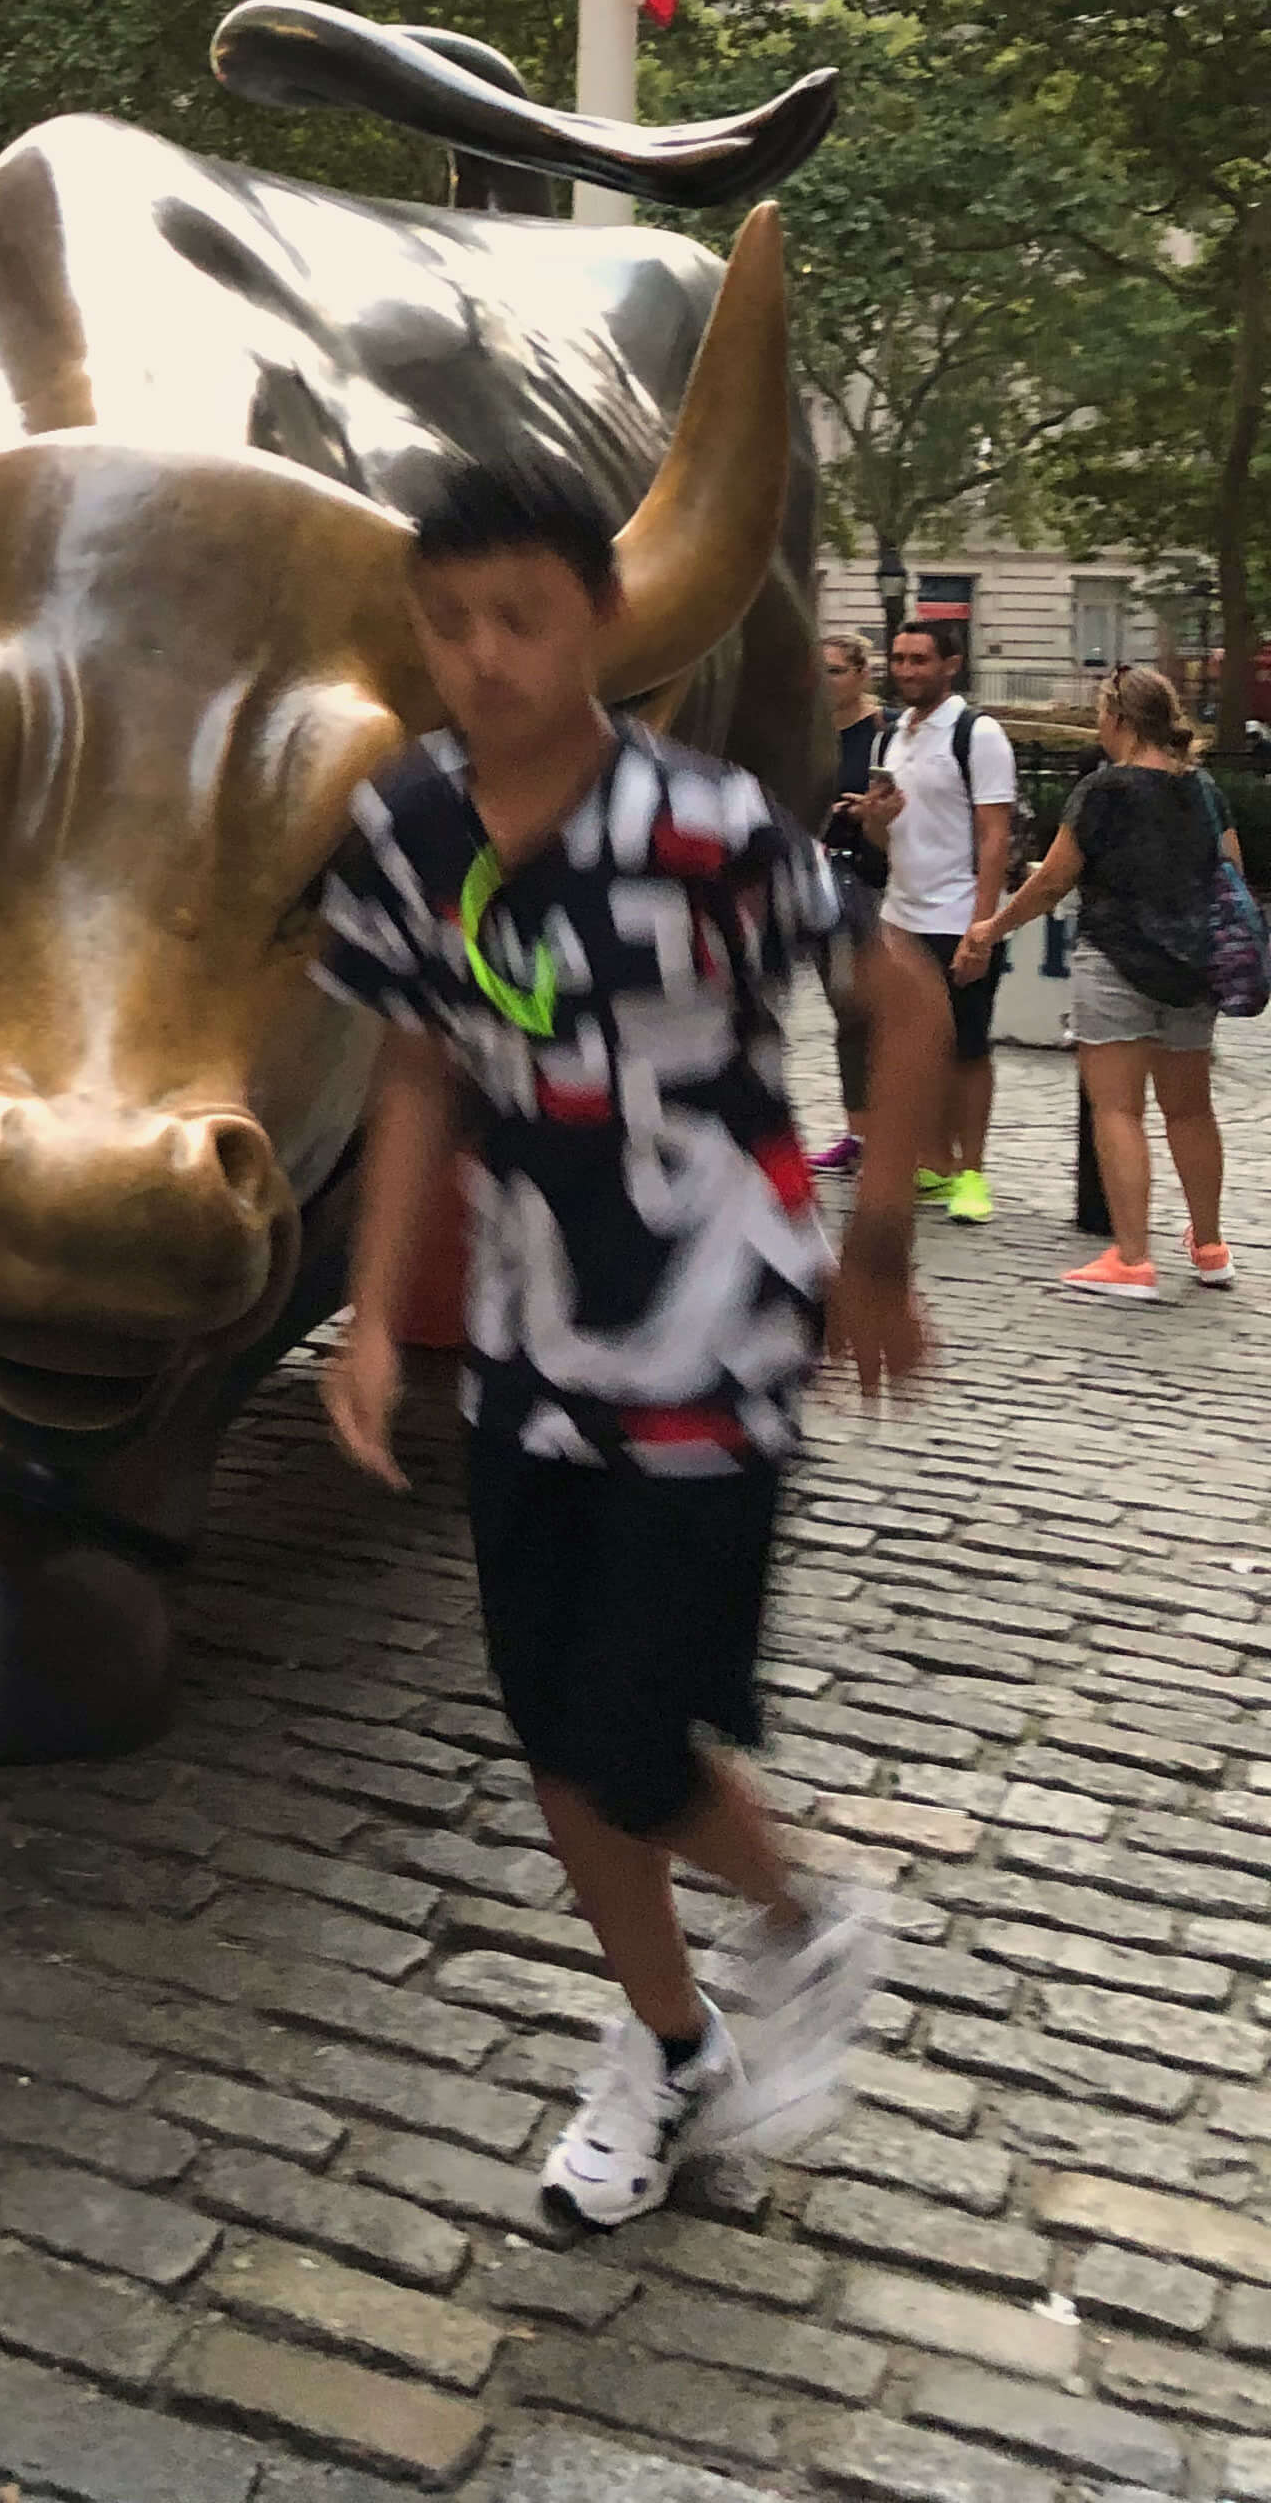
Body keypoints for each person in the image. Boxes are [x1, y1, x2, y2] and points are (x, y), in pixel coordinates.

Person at [317, 460, 946, 2232]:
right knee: (544, 1730)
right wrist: (371, 1314)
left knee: (624, 1730)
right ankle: (666, 2046)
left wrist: (877, 1246)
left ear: (594, 611)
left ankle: (805, 1915)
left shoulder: (703, 819)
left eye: (516, 613)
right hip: (523, 1333)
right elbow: (411, 1063)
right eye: (446, 622)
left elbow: (893, 996)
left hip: (709, 1324)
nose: (481, 654)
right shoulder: (406, 829)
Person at [966, 661, 1242, 1301]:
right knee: (1192, 1109)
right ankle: (1209, 1247)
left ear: (1117, 718)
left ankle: (1133, 1257)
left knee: (1118, 1109)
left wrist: (992, 927)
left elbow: (1055, 879)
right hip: (1192, 968)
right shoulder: (1203, 789)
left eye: (1099, 713)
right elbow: (1230, 869)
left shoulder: (1103, 790)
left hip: (1117, 963)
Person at [857, 616, 1016, 1226]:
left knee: (969, 1048)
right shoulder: (890, 736)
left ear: (950, 665)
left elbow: (995, 835)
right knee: (912, 1045)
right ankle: (933, 1158)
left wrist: (982, 927)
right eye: (897, 659)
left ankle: (972, 1172)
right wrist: (876, 817)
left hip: (959, 911)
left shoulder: (978, 734)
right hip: (900, 911)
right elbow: (882, 835)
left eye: (919, 660)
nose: (905, 671)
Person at [810, 632, 886, 1178]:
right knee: (846, 1012)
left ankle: (899, 1132)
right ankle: (858, 1131)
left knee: (879, 1008)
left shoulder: (884, 731)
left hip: (874, 876)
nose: (824, 681)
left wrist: (872, 812)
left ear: (862, 674)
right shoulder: (806, 730)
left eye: (835, 671)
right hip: (819, 871)